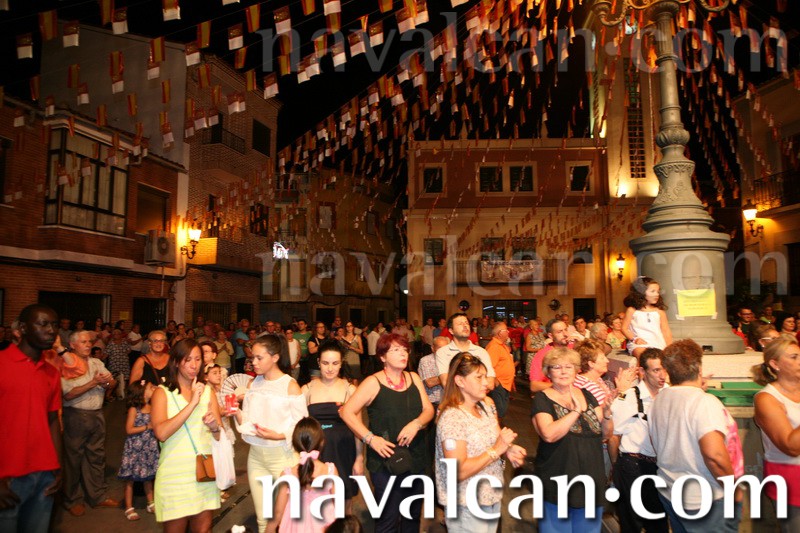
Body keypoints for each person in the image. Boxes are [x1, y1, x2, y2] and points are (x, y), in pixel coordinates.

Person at [340, 333, 434, 533]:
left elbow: (429, 410)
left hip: (415, 458)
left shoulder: (414, 377)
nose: (403, 354)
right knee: (388, 519)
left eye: (405, 349)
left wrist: (416, 424)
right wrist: (369, 438)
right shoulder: (373, 382)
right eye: (396, 350)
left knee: (412, 516)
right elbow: (346, 411)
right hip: (385, 462)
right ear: (382, 357)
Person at [649, 339, 743, 532]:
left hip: (670, 490)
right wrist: (733, 489)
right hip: (704, 499)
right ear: (699, 368)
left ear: (668, 371)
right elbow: (714, 456)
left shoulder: (659, 399)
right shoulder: (705, 402)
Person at [435, 353, 526, 532]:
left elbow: (496, 436)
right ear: (460, 381)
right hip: (466, 504)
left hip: (490, 496)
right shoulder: (452, 417)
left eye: (486, 376)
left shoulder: (486, 405)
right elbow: (458, 471)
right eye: (479, 377)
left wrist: (508, 448)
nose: (487, 383)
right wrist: (497, 450)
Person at [531, 347, 612, 532]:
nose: (563, 371)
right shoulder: (542, 399)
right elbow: (549, 434)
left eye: (568, 367)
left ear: (576, 370)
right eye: (556, 367)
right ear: (548, 372)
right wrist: (576, 411)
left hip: (591, 480)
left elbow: (605, 434)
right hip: (557, 480)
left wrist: (607, 414)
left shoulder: (587, 395)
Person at [235, 335, 308, 533]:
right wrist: (236, 412)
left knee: (286, 519)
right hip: (256, 457)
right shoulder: (253, 384)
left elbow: (302, 426)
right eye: (252, 357)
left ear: (275, 357)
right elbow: (248, 423)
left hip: (283, 458)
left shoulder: (290, 385)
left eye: (259, 358)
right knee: (263, 519)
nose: (254, 362)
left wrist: (279, 435)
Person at [0, 304, 62, 533]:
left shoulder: (51, 372)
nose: (51, 330)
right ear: (23, 328)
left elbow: (53, 421)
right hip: (8, 476)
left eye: (54, 325)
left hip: (44, 475)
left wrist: (59, 467)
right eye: (43, 324)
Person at [151, 339, 223, 532]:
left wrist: (215, 427)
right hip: (175, 474)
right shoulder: (162, 393)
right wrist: (192, 404)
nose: (194, 365)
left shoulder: (207, 392)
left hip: (204, 471)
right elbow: (161, 433)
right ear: (176, 362)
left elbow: (220, 437)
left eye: (198, 359)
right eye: (188, 359)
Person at [61, 330, 120, 516]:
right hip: (75, 415)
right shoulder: (65, 365)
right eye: (83, 342)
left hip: (97, 414)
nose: (88, 345)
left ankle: (97, 496)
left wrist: (108, 383)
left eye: (89, 342)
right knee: (73, 459)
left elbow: (112, 383)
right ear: (72, 345)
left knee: (96, 456)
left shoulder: (96, 362)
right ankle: (72, 499)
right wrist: (93, 382)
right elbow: (68, 394)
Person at [609, 348, 669, 533]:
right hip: (633, 465)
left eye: (664, 369)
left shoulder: (670, 395)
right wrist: (616, 466)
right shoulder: (629, 397)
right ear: (642, 371)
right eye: (656, 370)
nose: (662, 375)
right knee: (631, 523)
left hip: (661, 467)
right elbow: (613, 435)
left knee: (659, 522)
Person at [302, 341, 363, 514]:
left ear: (341, 363)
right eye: (325, 363)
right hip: (316, 453)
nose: (330, 368)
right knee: (317, 503)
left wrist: (359, 459)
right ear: (318, 362)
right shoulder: (306, 390)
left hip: (344, 451)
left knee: (345, 501)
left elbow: (359, 429)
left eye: (335, 363)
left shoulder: (351, 390)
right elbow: (299, 429)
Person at [752, 338, 800, 531]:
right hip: (791, 480)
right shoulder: (767, 399)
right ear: (775, 364)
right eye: (794, 357)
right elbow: (790, 447)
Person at [266, 417, 338, 533]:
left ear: (295, 444)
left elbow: (278, 513)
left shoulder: (287, 475)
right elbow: (339, 507)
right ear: (322, 442)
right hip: (325, 526)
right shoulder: (330, 470)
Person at [118, 380, 159, 521]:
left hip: (148, 447)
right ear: (142, 392)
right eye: (150, 387)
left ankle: (150, 502)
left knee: (147, 477)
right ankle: (129, 507)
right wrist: (147, 427)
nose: (153, 389)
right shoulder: (134, 409)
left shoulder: (152, 407)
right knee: (130, 479)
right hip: (135, 448)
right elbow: (129, 429)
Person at [435, 313, 496, 388]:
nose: (465, 325)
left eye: (466, 323)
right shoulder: (443, 352)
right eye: (460, 324)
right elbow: (446, 383)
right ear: (451, 331)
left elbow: (490, 383)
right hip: (455, 396)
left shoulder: (481, 352)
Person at [622, 276, 673, 360]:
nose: (656, 294)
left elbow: (666, 331)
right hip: (639, 344)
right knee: (644, 357)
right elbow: (624, 328)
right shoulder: (632, 310)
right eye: (653, 291)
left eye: (658, 291)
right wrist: (635, 339)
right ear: (641, 292)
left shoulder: (659, 312)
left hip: (658, 343)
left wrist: (669, 347)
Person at [529, 318, 573, 393]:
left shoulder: (573, 347)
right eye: (559, 332)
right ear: (551, 336)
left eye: (565, 330)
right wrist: (561, 386)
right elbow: (534, 385)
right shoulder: (543, 355)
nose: (565, 334)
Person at [485, 322, 516, 419]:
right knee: (499, 412)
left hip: (504, 384)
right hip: (498, 385)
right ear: (499, 333)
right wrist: (496, 382)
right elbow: (489, 367)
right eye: (506, 330)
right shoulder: (494, 347)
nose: (508, 332)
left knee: (501, 411)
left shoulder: (501, 345)